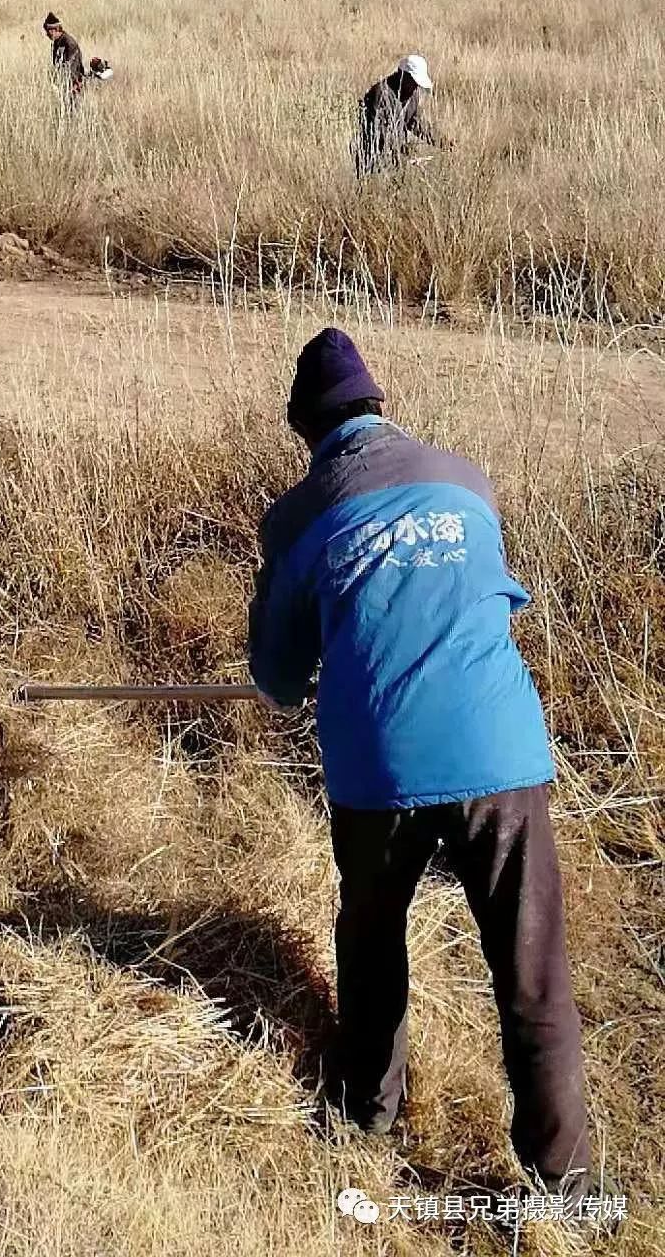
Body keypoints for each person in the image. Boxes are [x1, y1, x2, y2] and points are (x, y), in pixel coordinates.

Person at [248, 328, 592, 1197]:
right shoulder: (464, 478)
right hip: (502, 753)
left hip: (382, 766)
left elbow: (277, 679)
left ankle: (366, 1115)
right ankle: (570, 1190)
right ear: (376, 405)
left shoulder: (298, 515)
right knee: (531, 973)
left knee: (370, 942)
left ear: (306, 427)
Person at [355, 53, 436, 176]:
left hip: (396, 162)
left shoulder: (411, 95)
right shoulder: (381, 93)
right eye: (413, 82)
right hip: (372, 162)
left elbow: (416, 122)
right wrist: (403, 148)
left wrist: (440, 140)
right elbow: (378, 130)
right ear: (402, 75)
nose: (416, 87)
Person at [43, 12, 85, 103]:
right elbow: (55, 64)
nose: (47, 34)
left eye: (48, 31)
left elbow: (71, 68)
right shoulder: (56, 43)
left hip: (73, 85)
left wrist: (68, 87)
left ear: (56, 29)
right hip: (61, 84)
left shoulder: (70, 43)